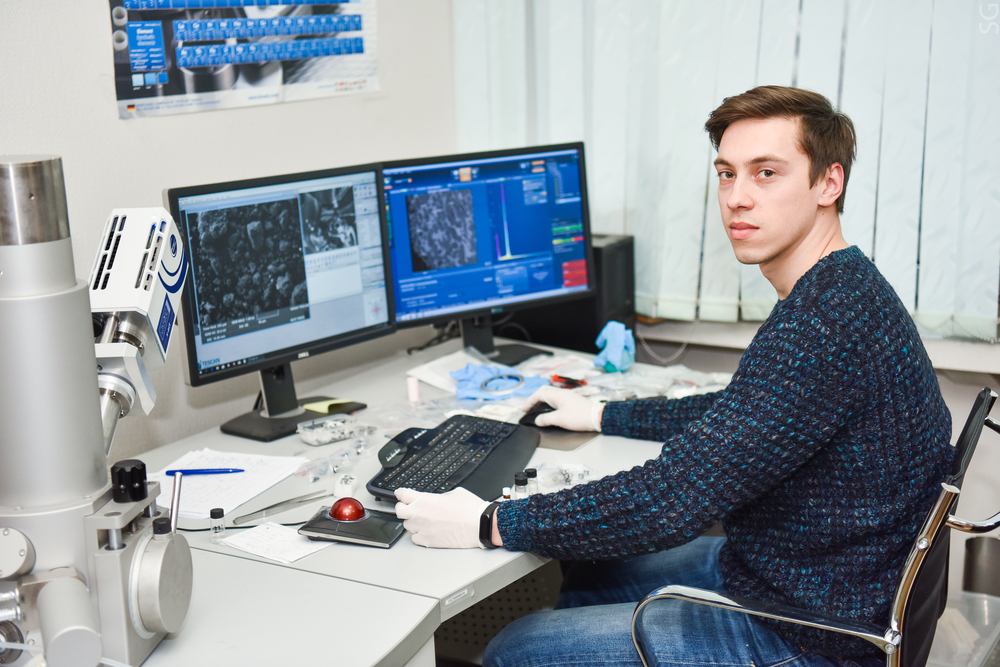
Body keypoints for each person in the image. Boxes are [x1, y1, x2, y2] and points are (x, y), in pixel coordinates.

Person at [394, 85, 954, 667]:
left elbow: (671, 499)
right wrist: (604, 414)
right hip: (799, 578)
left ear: (828, 183)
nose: (736, 198)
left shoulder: (824, 322)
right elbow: (747, 410)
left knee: (516, 650)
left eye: (766, 173)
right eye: (727, 174)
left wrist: (489, 522)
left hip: (811, 633)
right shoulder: (844, 285)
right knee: (588, 575)